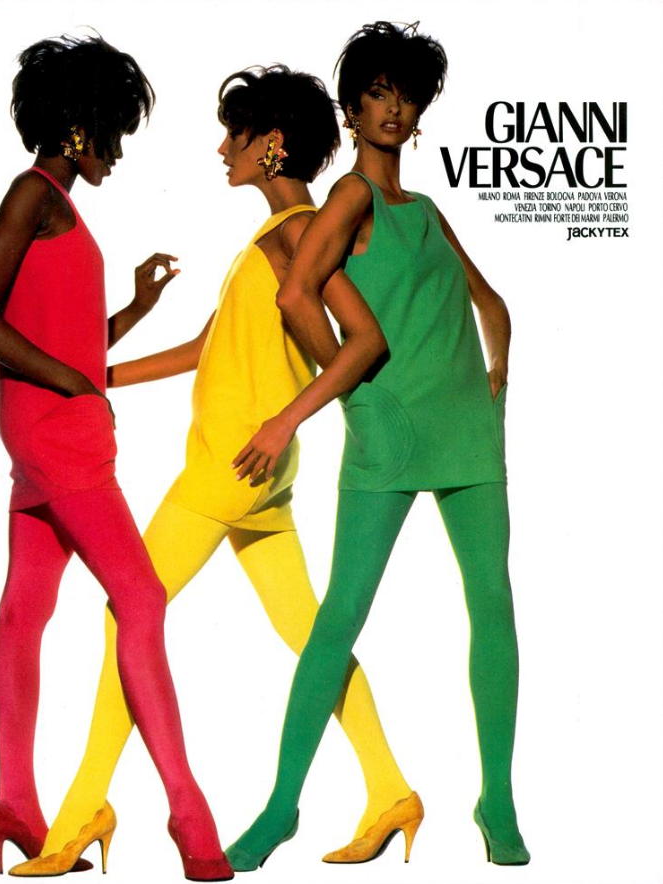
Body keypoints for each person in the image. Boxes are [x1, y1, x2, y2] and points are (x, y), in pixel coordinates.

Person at [36, 63, 417, 874]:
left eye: (233, 137)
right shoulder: (277, 235)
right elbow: (203, 348)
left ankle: (79, 813)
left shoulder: (295, 235)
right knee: (311, 635)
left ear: (270, 144)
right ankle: (389, 790)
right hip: (258, 481)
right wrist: (96, 377)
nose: (221, 150)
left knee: (126, 615)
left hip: (227, 469)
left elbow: (361, 344)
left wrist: (284, 420)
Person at [226, 21, 530, 869]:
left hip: (466, 429)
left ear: (420, 110)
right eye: (377, 93)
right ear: (351, 108)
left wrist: (498, 370)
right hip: (386, 435)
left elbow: (490, 300)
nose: (394, 108)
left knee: (492, 604)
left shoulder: (425, 210)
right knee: (338, 618)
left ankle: (496, 798)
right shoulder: (348, 199)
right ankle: (281, 807)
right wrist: (352, 390)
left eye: (407, 95)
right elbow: (295, 295)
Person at [0, 34, 232, 881]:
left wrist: (137, 309)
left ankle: (16, 804)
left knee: (24, 609)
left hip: (44, 431)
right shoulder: (32, 195)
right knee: (140, 596)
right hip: (58, 433)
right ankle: (188, 813)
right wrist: (70, 383)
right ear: (79, 127)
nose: (117, 151)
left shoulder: (60, 209)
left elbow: (66, 341)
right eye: (112, 133)